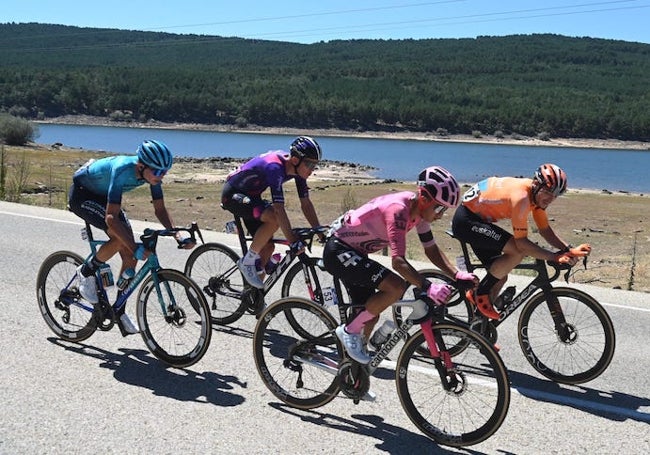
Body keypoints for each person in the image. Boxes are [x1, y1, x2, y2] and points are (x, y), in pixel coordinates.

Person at [322, 166, 478, 364]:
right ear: (424, 197)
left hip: (355, 253)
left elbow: (430, 249)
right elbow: (398, 262)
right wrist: (427, 286)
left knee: (370, 315)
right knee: (395, 286)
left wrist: (456, 275)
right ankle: (348, 331)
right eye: (439, 208)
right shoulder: (398, 210)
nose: (440, 214)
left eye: (444, 209)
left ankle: (352, 369)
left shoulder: (419, 213)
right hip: (339, 251)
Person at [68, 139, 195, 336]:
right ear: (141, 165)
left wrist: (177, 235)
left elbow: (160, 209)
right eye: (158, 172)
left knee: (131, 256)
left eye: (165, 172)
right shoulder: (123, 169)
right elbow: (111, 219)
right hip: (83, 195)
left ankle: (119, 310)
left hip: (105, 196)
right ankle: (85, 271)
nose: (162, 176)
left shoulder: (151, 176)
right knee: (121, 239)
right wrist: (133, 245)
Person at [451, 163, 591, 320]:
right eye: (548, 192)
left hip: (478, 219)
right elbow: (522, 244)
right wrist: (554, 257)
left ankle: (478, 329)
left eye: (555, 195)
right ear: (536, 184)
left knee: (500, 275)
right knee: (517, 251)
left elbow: (545, 230)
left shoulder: (536, 198)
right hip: (466, 221)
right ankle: (481, 294)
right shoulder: (522, 198)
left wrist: (568, 249)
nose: (550, 199)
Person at [221, 136, 325, 289]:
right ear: (295, 160)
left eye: (315, 165)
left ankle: (255, 298)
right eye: (309, 164)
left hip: (252, 197)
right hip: (234, 196)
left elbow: (306, 204)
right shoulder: (275, 167)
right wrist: (292, 241)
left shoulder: (298, 171)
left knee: (268, 248)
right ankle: (247, 261)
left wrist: (319, 231)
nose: (312, 170)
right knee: (274, 218)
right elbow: (278, 208)